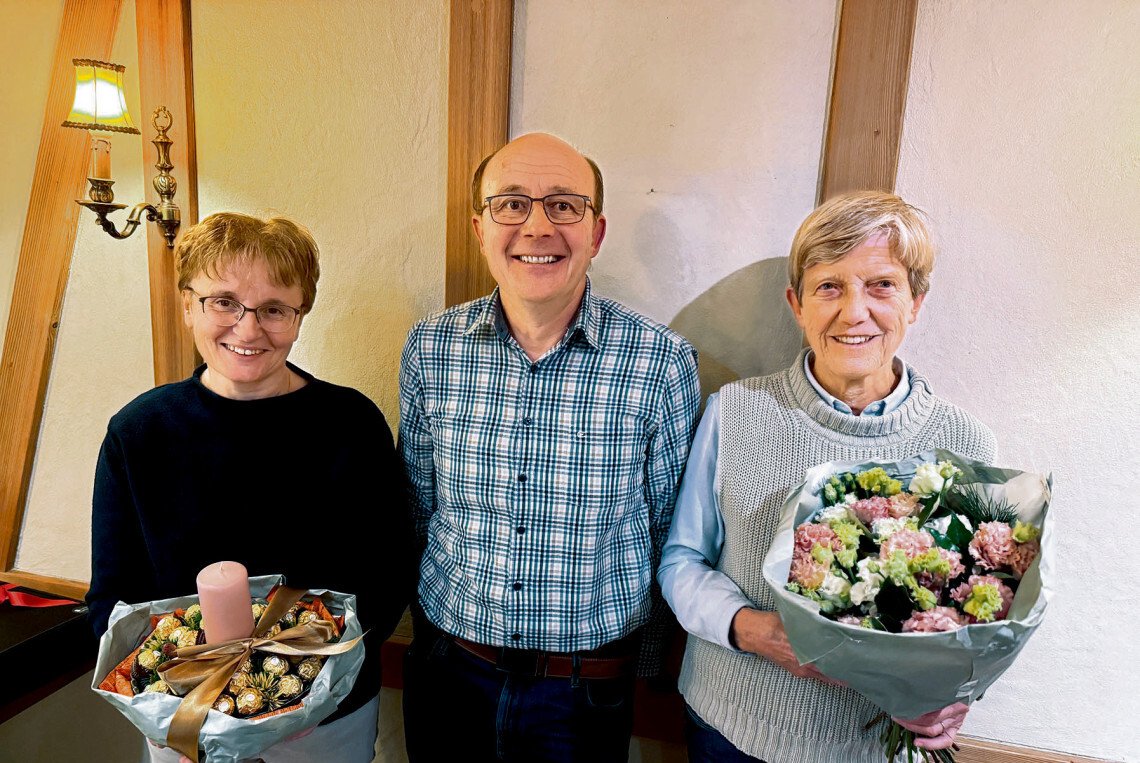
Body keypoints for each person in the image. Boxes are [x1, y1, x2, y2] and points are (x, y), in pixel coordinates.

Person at [658, 191, 996, 762]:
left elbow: (978, 611)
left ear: (916, 301)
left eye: (881, 284)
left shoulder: (965, 446)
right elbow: (681, 561)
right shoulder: (736, 411)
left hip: (868, 748)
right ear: (797, 304)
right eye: (829, 286)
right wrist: (754, 630)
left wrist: (953, 696)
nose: (853, 311)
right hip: (728, 729)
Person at [398, 132, 700, 762]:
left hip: (584, 696)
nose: (537, 226)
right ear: (480, 228)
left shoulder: (660, 361)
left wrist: (648, 670)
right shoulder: (430, 349)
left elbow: (670, 530)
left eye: (564, 205)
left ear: (597, 231)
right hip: (449, 675)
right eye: (512, 204)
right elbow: (417, 507)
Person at [86, 212, 413, 763]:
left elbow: (389, 567)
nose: (248, 327)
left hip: (326, 719)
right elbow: (114, 594)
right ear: (188, 304)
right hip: (186, 714)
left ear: (300, 315)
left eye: (274, 309)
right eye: (224, 301)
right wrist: (177, 692)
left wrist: (313, 684)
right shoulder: (139, 432)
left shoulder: (350, 422)